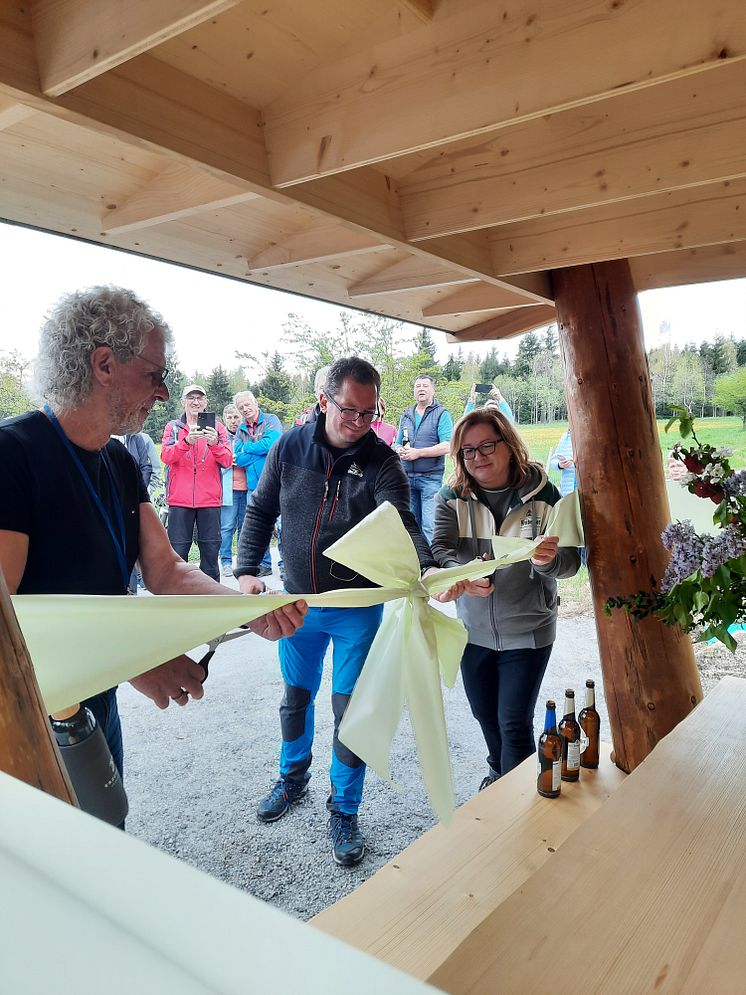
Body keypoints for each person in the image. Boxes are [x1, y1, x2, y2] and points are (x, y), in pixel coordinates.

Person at [0, 286, 306, 789]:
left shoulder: (118, 460)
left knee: (102, 841)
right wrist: (136, 662)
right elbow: (6, 623)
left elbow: (167, 571)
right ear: (103, 364)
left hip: (92, 705)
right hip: (29, 726)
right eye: (153, 374)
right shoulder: (11, 456)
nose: (163, 392)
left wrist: (248, 612)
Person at [235, 357, 446, 867]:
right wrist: (245, 568)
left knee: (350, 711)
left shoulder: (381, 459)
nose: (359, 422)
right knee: (295, 700)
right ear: (324, 399)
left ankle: (345, 807)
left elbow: (402, 523)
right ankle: (292, 777)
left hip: (356, 608)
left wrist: (432, 570)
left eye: (369, 413)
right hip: (298, 605)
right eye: (349, 410)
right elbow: (262, 508)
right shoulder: (290, 445)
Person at [432, 408, 581, 791]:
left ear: (509, 446)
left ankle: (514, 805)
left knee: (513, 720)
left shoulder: (546, 494)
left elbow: (570, 563)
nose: (477, 457)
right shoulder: (452, 497)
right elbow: (440, 551)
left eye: (486, 446)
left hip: (528, 630)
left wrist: (547, 561)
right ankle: (500, 775)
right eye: (467, 451)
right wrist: (464, 573)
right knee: (484, 714)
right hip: (472, 631)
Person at [161, 384, 231, 582]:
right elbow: (166, 456)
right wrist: (186, 442)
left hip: (209, 501)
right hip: (180, 500)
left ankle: (211, 599)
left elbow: (227, 460)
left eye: (200, 398)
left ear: (206, 402)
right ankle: (177, 598)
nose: (196, 402)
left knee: (210, 553)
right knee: (178, 552)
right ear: (183, 402)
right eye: (191, 398)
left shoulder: (217, 427)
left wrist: (215, 443)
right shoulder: (173, 428)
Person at [395, 374, 453, 543]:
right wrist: (399, 450)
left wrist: (418, 453)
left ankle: (432, 565)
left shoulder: (442, 414)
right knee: (411, 525)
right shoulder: (406, 415)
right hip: (407, 479)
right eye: (417, 386)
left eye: (425, 386)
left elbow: (447, 445)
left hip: (430, 479)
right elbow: (397, 443)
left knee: (429, 526)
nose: (421, 389)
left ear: (432, 390)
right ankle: (417, 563)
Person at [233, 390, 282, 577]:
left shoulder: (271, 420)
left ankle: (286, 564)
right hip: (253, 486)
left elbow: (272, 445)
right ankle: (264, 564)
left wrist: (248, 449)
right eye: (241, 407)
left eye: (247, 404)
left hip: (276, 482)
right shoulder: (241, 429)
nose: (245, 409)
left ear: (255, 403)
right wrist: (256, 452)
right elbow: (238, 457)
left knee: (282, 526)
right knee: (259, 527)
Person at [219, 403, 247, 577]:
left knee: (245, 527)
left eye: (236, 417)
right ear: (224, 420)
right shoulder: (221, 438)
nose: (233, 421)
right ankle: (226, 561)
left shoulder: (248, 436)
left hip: (248, 487)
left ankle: (243, 562)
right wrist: (228, 462)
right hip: (229, 488)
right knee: (227, 527)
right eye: (229, 417)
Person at [549, 428, 577, 497]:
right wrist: (559, 465)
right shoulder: (566, 437)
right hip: (567, 490)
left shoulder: (591, 435)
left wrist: (575, 461)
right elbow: (553, 461)